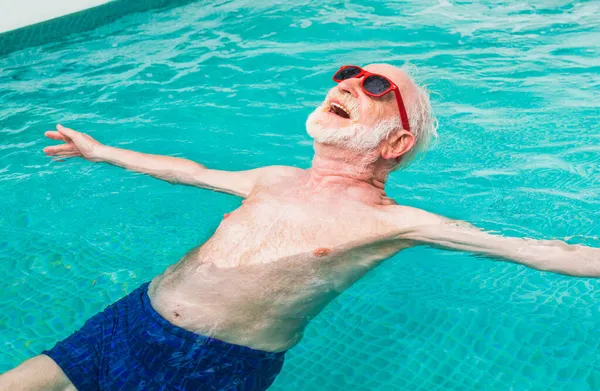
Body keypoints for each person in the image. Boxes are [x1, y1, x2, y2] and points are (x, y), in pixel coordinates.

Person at [2, 64, 598, 391]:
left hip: (211, 364)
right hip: (131, 318)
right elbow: (190, 171)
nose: (347, 84)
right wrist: (104, 151)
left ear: (396, 141)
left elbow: (535, 252)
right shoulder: (275, 175)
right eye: (348, 75)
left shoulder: (393, 222)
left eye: (375, 89)